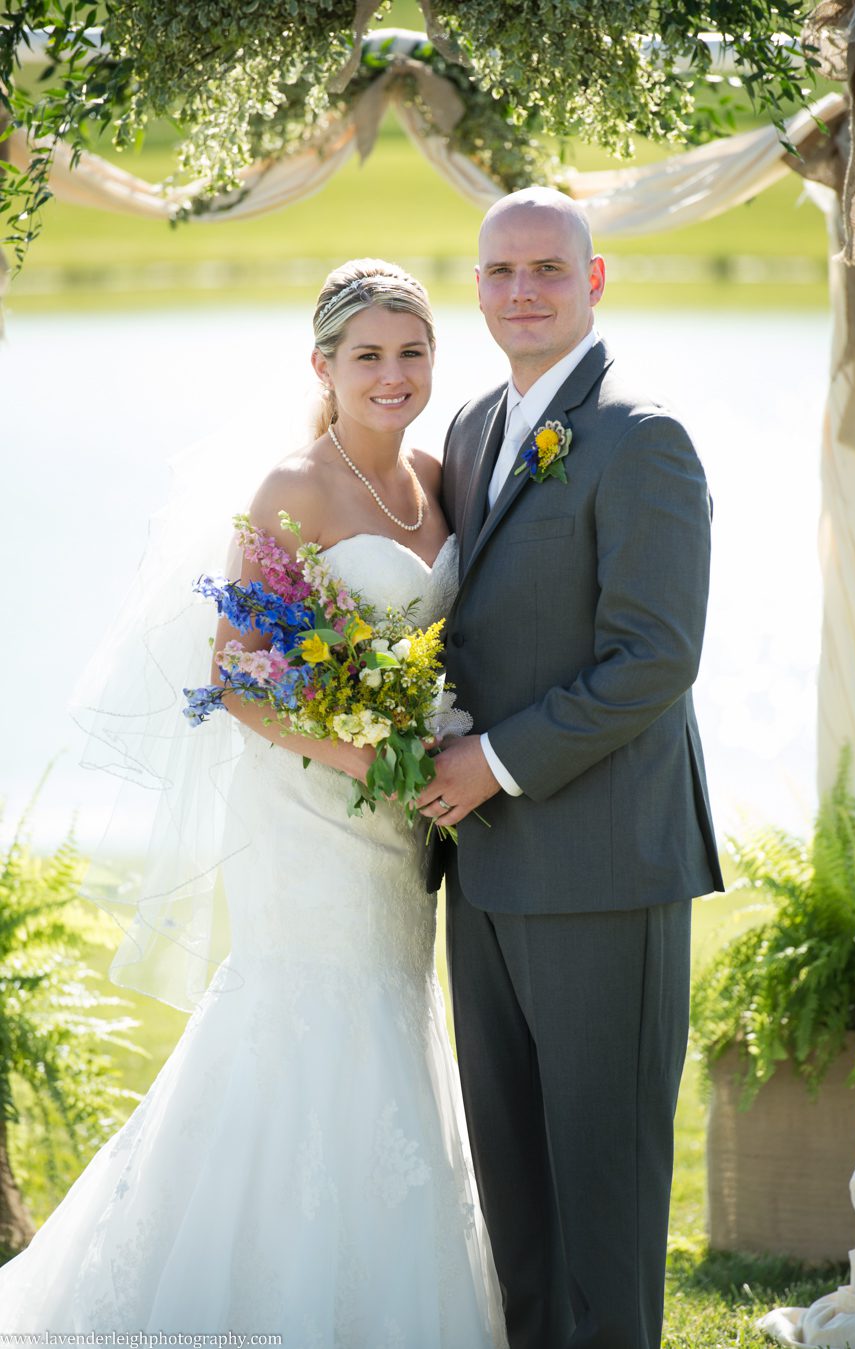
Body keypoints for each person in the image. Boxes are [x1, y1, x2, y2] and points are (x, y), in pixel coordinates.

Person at [0, 259, 506, 1348]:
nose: (393, 374)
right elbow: (237, 675)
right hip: (308, 814)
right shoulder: (293, 488)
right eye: (367, 355)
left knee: (393, 1009)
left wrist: (418, 747)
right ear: (322, 366)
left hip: (401, 820)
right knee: (304, 1015)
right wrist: (368, 753)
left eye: (412, 352)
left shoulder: (436, 476)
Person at [417, 189, 725, 1349]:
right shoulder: (470, 428)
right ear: (478, 288)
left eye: (548, 268)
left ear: (594, 282)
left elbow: (657, 656)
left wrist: (494, 760)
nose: (523, 291)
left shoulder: (643, 436)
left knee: (603, 1194)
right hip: (484, 872)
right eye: (500, 272)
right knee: (518, 1198)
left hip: (603, 866)